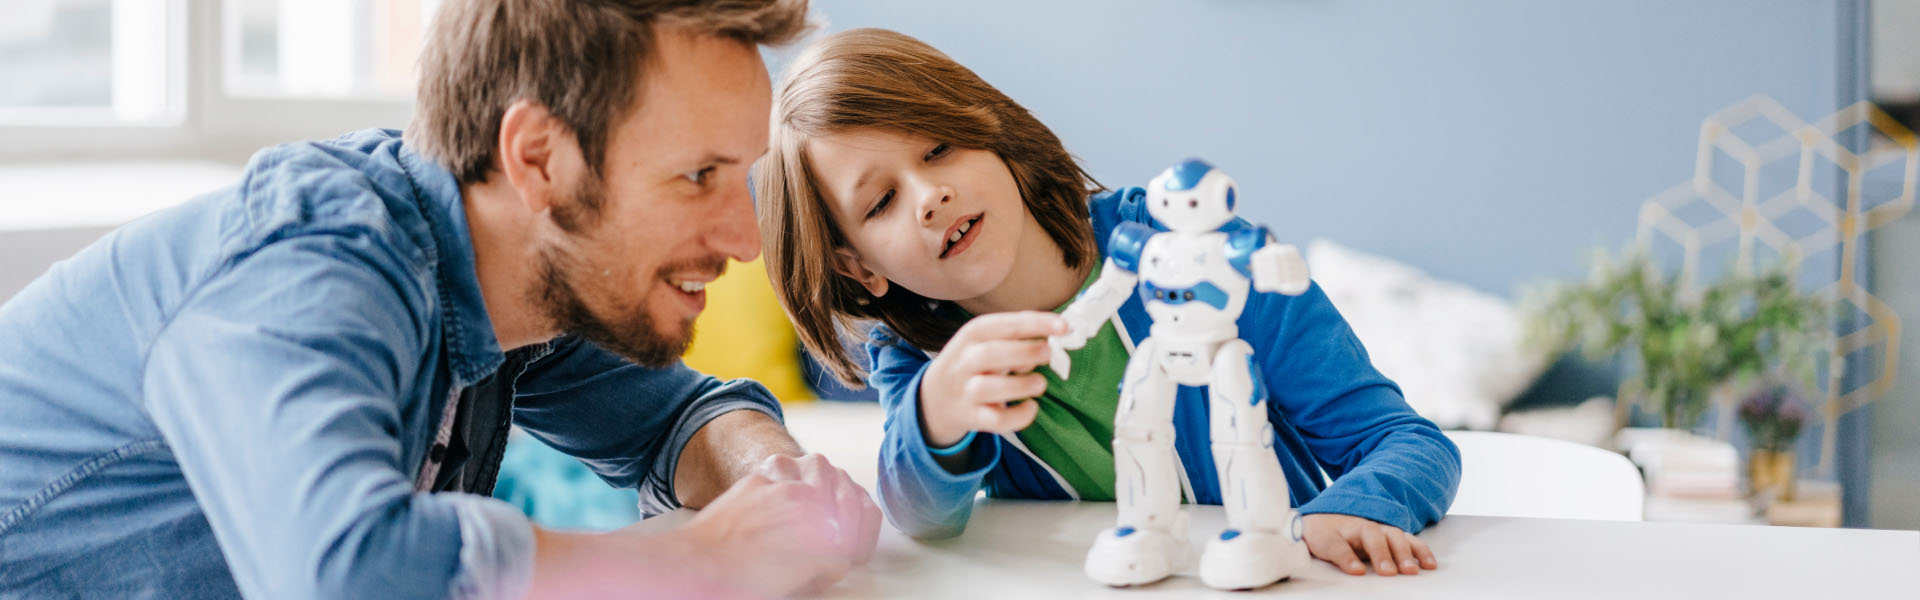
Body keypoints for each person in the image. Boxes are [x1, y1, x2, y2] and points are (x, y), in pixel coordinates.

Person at [0, 1, 880, 598]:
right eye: (699, 177)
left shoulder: (518, 281)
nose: (745, 238)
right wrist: (703, 554)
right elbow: (347, 570)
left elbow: (676, 418)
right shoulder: (315, 265)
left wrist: (778, 483)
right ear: (537, 157)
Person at [754, 27, 1460, 583]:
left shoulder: (1209, 259)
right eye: (880, 201)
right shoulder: (920, 361)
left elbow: (1408, 442)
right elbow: (922, 516)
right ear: (859, 267)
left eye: (940, 148)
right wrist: (934, 417)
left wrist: (1349, 509)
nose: (928, 195)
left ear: (991, 132)